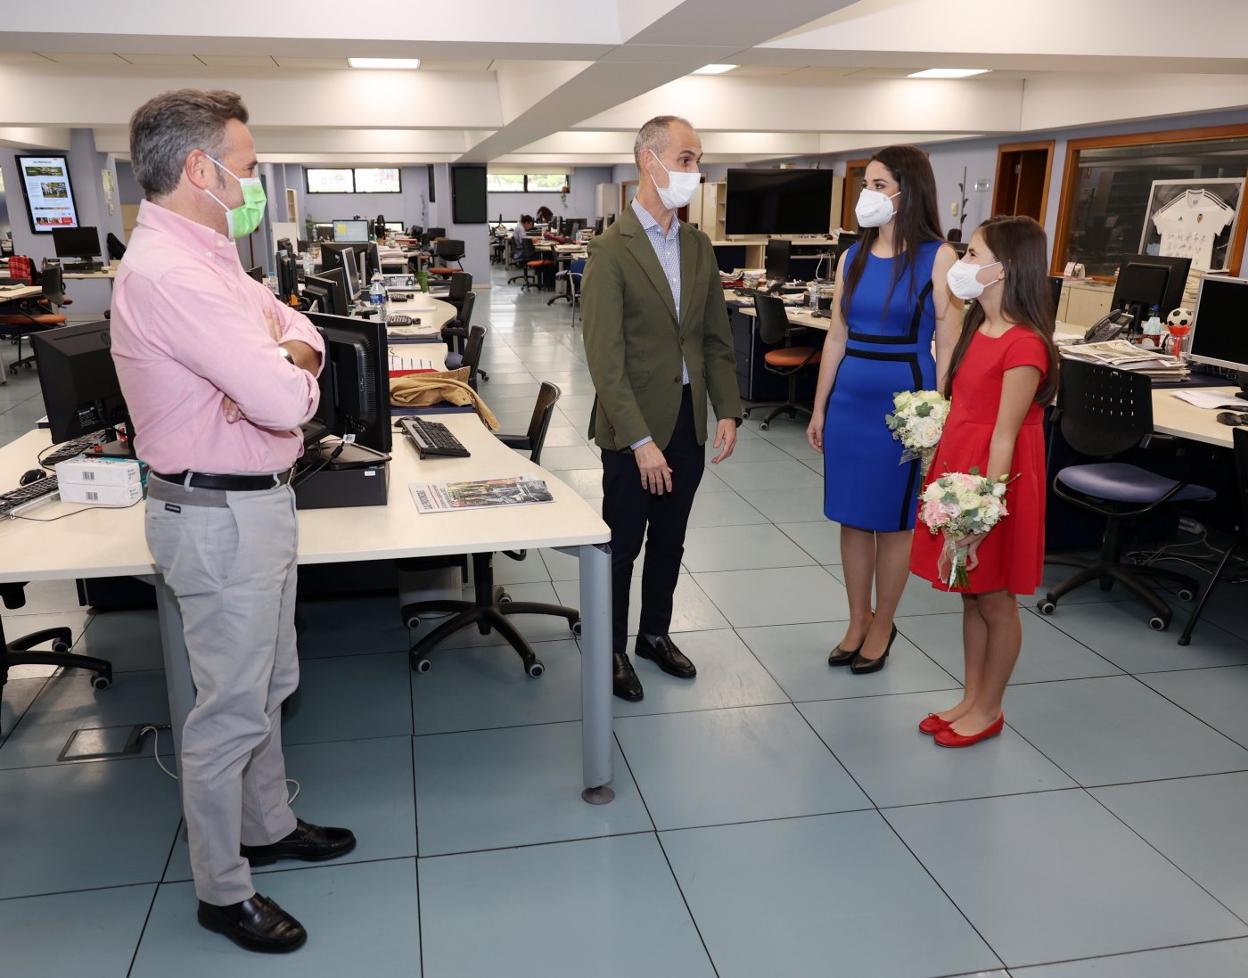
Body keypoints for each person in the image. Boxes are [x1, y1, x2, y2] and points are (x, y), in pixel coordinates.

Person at [110, 89, 355, 954]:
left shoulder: (209, 254)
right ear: (199, 169)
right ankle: (223, 889)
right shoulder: (172, 273)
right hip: (217, 514)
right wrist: (278, 364)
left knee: (270, 685)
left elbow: (300, 331)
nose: (255, 187)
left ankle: (269, 826)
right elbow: (285, 397)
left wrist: (278, 352)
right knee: (227, 714)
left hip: (253, 506)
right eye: (248, 171)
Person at [581, 115, 742, 702]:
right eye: (687, 159)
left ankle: (654, 634)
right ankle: (611, 649)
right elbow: (606, 359)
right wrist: (640, 440)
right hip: (633, 430)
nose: (695, 171)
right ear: (648, 161)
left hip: (686, 421)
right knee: (623, 546)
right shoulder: (610, 250)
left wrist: (726, 409)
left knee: (670, 541)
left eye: (697, 159)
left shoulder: (698, 247)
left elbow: (713, 338)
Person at [807, 145, 963, 674]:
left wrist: (936, 414)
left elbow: (949, 339)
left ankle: (884, 622)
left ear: (907, 191)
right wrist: (820, 407)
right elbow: (835, 335)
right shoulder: (852, 256)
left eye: (878, 185)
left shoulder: (938, 256)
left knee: (892, 523)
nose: (866, 196)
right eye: (865, 185)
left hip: (904, 399)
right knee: (852, 517)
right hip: (851, 395)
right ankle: (857, 617)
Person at [910, 215, 1059, 747]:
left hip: (997, 480)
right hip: (963, 463)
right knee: (970, 595)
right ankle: (971, 697)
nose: (963, 264)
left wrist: (979, 512)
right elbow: (961, 404)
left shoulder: (1026, 345)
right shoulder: (978, 324)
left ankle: (990, 707)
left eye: (973, 255)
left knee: (995, 598)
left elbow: (1004, 436)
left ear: (1006, 268)